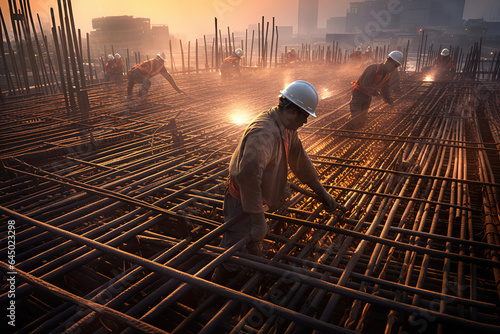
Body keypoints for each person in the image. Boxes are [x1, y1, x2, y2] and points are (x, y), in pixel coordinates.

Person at [212, 80, 345, 283]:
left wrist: (323, 193)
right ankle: (215, 291)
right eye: (305, 116)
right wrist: (257, 218)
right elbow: (249, 176)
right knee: (233, 250)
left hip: (255, 198)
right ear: (292, 110)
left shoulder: (286, 128)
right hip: (242, 201)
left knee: (252, 246)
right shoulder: (265, 132)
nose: (306, 122)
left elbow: (300, 163)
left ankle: (245, 273)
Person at [348, 50, 403, 129]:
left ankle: (356, 132)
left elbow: (385, 90)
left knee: (362, 118)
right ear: (388, 61)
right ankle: (348, 130)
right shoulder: (373, 68)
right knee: (356, 115)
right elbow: (364, 83)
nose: (394, 68)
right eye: (394, 65)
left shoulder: (387, 75)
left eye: (396, 66)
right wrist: (376, 94)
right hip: (359, 93)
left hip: (368, 96)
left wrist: (389, 101)